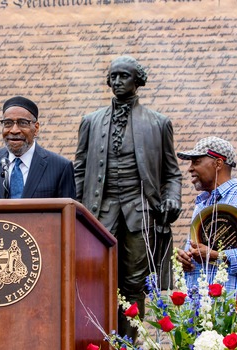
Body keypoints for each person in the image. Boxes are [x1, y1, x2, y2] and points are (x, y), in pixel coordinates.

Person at [74, 55, 182, 340]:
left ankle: (129, 343)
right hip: (100, 212)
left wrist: (173, 199)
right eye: (114, 76)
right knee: (96, 279)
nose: (118, 81)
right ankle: (98, 339)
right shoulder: (90, 121)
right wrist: (74, 213)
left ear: (138, 81)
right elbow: (80, 171)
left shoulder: (159, 123)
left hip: (140, 213)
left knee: (135, 283)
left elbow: (172, 174)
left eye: (124, 76)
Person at [176, 136, 237, 309]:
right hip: (198, 314)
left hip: (231, 315)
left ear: (218, 163)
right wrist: (185, 259)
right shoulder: (201, 205)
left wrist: (218, 256)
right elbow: (198, 252)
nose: (190, 168)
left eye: (196, 161)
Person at [0, 96, 76, 199]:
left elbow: (68, 216)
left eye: (22, 123)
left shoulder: (60, 167)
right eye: (8, 123)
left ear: (36, 128)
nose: (14, 130)